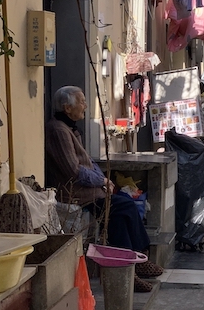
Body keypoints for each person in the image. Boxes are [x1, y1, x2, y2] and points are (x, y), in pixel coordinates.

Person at [45, 86, 162, 292]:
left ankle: (133, 261)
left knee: (121, 213)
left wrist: (104, 179)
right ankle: (130, 265)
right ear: (67, 107)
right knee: (123, 207)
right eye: (81, 101)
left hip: (92, 192)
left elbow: (87, 161)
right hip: (78, 196)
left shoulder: (69, 128)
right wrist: (101, 182)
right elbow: (74, 171)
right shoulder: (58, 131)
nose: (85, 105)